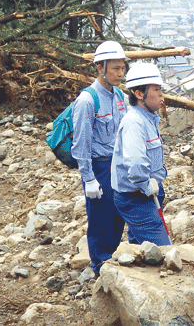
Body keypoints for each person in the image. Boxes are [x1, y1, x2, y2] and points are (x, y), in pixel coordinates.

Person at [71, 40, 128, 276]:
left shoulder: (120, 96)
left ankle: (111, 264)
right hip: (100, 168)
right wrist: (89, 179)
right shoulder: (87, 100)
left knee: (117, 219)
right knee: (100, 221)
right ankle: (100, 269)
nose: (120, 73)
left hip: (118, 167)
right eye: (115, 68)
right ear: (100, 68)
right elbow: (81, 144)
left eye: (122, 68)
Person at [111, 62, 170, 246]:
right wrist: (146, 184)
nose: (161, 94)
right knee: (162, 249)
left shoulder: (149, 117)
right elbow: (136, 164)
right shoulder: (134, 122)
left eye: (160, 89)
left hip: (148, 192)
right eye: (156, 89)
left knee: (140, 248)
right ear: (139, 94)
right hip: (136, 197)